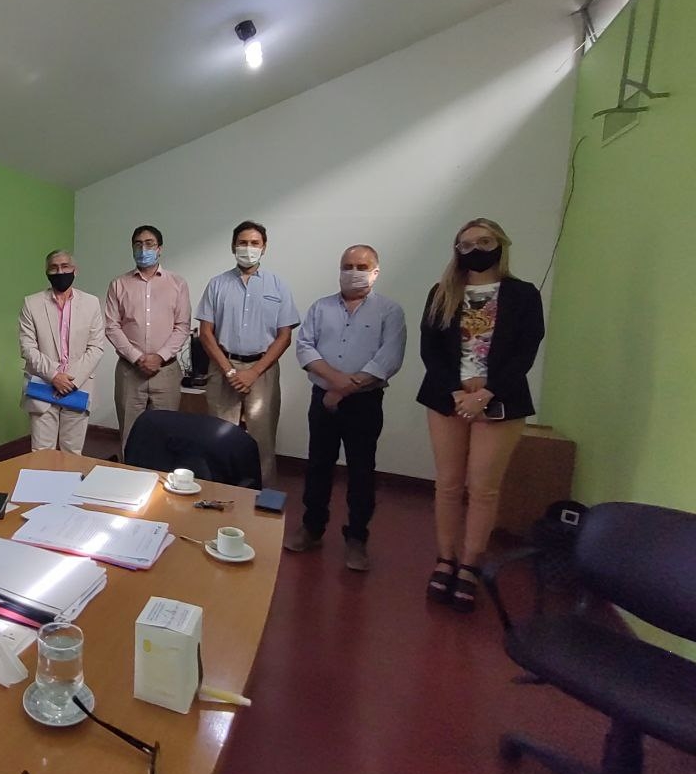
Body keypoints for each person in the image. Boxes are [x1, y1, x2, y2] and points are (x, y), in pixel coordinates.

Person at [417, 218, 544, 612]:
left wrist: (487, 393)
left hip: (501, 398)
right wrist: (456, 392)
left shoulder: (523, 294)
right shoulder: (442, 292)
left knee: (484, 487)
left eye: (484, 242)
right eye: (466, 244)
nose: (476, 250)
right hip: (447, 398)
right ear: (457, 251)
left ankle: (471, 564)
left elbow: (526, 350)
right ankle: (445, 558)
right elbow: (430, 349)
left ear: (500, 245)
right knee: (448, 484)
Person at [286, 245, 406, 571]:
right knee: (318, 465)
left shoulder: (389, 311)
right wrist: (336, 381)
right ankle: (312, 528)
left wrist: (343, 390)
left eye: (361, 267)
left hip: (365, 402)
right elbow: (305, 347)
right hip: (322, 398)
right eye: (347, 266)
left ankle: (356, 538)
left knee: (361, 470)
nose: (353, 272)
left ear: (375, 273)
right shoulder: (320, 308)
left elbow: (389, 358)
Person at [196, 220, 300, 487]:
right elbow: (205, 333)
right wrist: (230, 371)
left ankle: (262, 499)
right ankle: (219, 493)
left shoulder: (278, 286)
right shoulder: (217, 284)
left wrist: (253, 372)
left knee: (261, 441)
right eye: (243, 243)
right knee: (218, 438)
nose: (248, 248)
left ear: (264, 248)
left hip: (262, 371)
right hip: (223, 368)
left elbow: (285, 336)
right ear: (233, 246)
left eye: (255, 243)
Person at [104, 225, 192, 452]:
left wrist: (159, 357)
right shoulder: (118, 284)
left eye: (149, 244)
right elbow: (111, 326)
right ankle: (128, 474)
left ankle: (160, 476)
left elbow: (182, 326)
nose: (143, 249)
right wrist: (137, 358)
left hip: (166, 372)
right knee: (130, 435)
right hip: (130, 372)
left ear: (159, 248)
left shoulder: (177, 283)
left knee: (167, 435)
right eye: (138, 244)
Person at [18, 250, 106, 454]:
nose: (60, 272)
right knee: (42, 454)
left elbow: (96, 347)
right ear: (46, 272)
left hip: (78, 387)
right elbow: (27, 348)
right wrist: (55, 376)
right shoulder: (31, 303)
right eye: (54, 268)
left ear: (75, 270)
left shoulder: (91, 303)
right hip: (42, 387)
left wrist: (70, 380)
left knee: (72, 454)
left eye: (65, 266)